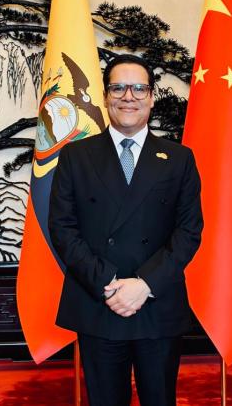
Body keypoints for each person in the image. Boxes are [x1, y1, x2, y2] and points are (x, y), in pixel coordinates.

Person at [48, 54, 203, 406]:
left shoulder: (179, 158)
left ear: (152, 97)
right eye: (118, 88)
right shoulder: (75, 156)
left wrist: (145, 284)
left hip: (156, 303)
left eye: (138, 88)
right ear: (106, 96)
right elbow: (62, 228)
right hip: (99, 301)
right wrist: (109, 284)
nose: (128, 97)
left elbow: (189, 230)